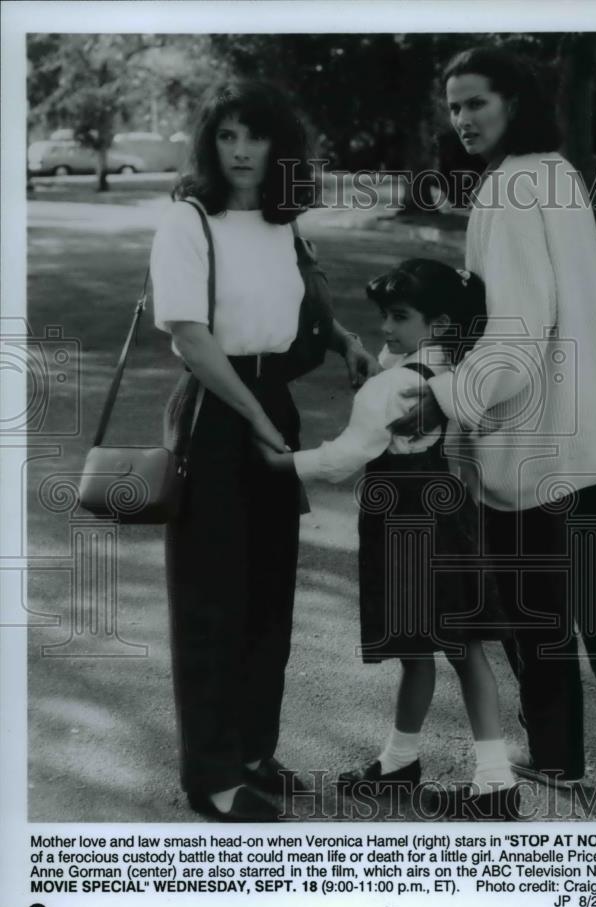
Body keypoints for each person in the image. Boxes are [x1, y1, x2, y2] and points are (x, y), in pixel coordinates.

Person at [390, 47, 596, 787]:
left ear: (515, 101)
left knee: (534, 608)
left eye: (476, 102)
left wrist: (447, 396)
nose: (461, 119)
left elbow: (516, 331)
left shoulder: (508, 188)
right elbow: (577, 304)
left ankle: (554, 756)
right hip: (589, 429)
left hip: (533, 436)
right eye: (453, 106)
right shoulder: (557, 173)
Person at [149, 80, 378, 821]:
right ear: (209, 146)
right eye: (226, 136)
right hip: (218, 411)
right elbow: (189, 335)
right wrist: (255, 419)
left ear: (281, 147)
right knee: (213, 599)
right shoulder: (189, 221)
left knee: (268, 590)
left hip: (269, 405)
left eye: (256, 136)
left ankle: (252, 749)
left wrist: (344, 342)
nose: (242, 150)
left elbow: (299, 304)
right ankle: (211, 775)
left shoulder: (284, 222)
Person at [266, 259, 518, 820]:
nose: (386, 327)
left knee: (447, 647)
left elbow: (345, 458)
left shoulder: (393, 385)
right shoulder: (447, 373)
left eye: (400, 317)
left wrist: (279, 462)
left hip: (408, 522)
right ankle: (401, 761)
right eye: (384, 315)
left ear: (440, 323)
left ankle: (496, 781)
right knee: (431, 647)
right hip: (442, 514)